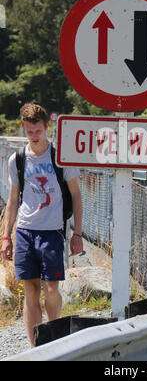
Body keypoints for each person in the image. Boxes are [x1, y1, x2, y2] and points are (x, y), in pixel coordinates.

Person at [1, 103, 83, 347]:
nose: (34, 137)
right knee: (31, 290)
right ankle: (35, 347)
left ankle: (54, 339)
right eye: (29, 132)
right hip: (25, 231)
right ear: (23, 129)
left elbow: (76, 195)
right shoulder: (17, 160)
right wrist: (6, 237)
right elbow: (13, 200)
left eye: (38, 131)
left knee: (51, 290)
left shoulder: (60, 157)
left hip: (52, 232)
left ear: (47, 127)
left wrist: (77, 233)